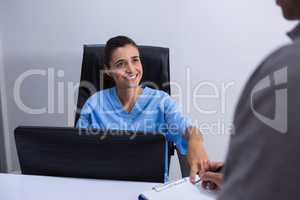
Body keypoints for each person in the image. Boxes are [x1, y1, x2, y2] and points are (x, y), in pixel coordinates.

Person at [201, 1, 300, 199]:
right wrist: (241, 173)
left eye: (135, 60)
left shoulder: (288, 71)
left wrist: (245, 177)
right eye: (120, 63)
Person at [76, 36, 209, 180]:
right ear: (108, 70)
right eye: (121, 64)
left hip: (150, 187)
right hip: (104, 183)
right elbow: (76, 148)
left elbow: (188, 129)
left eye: (135, 60)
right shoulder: (94, 104)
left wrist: (195, 141)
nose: (131, 69)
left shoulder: (161, 102)